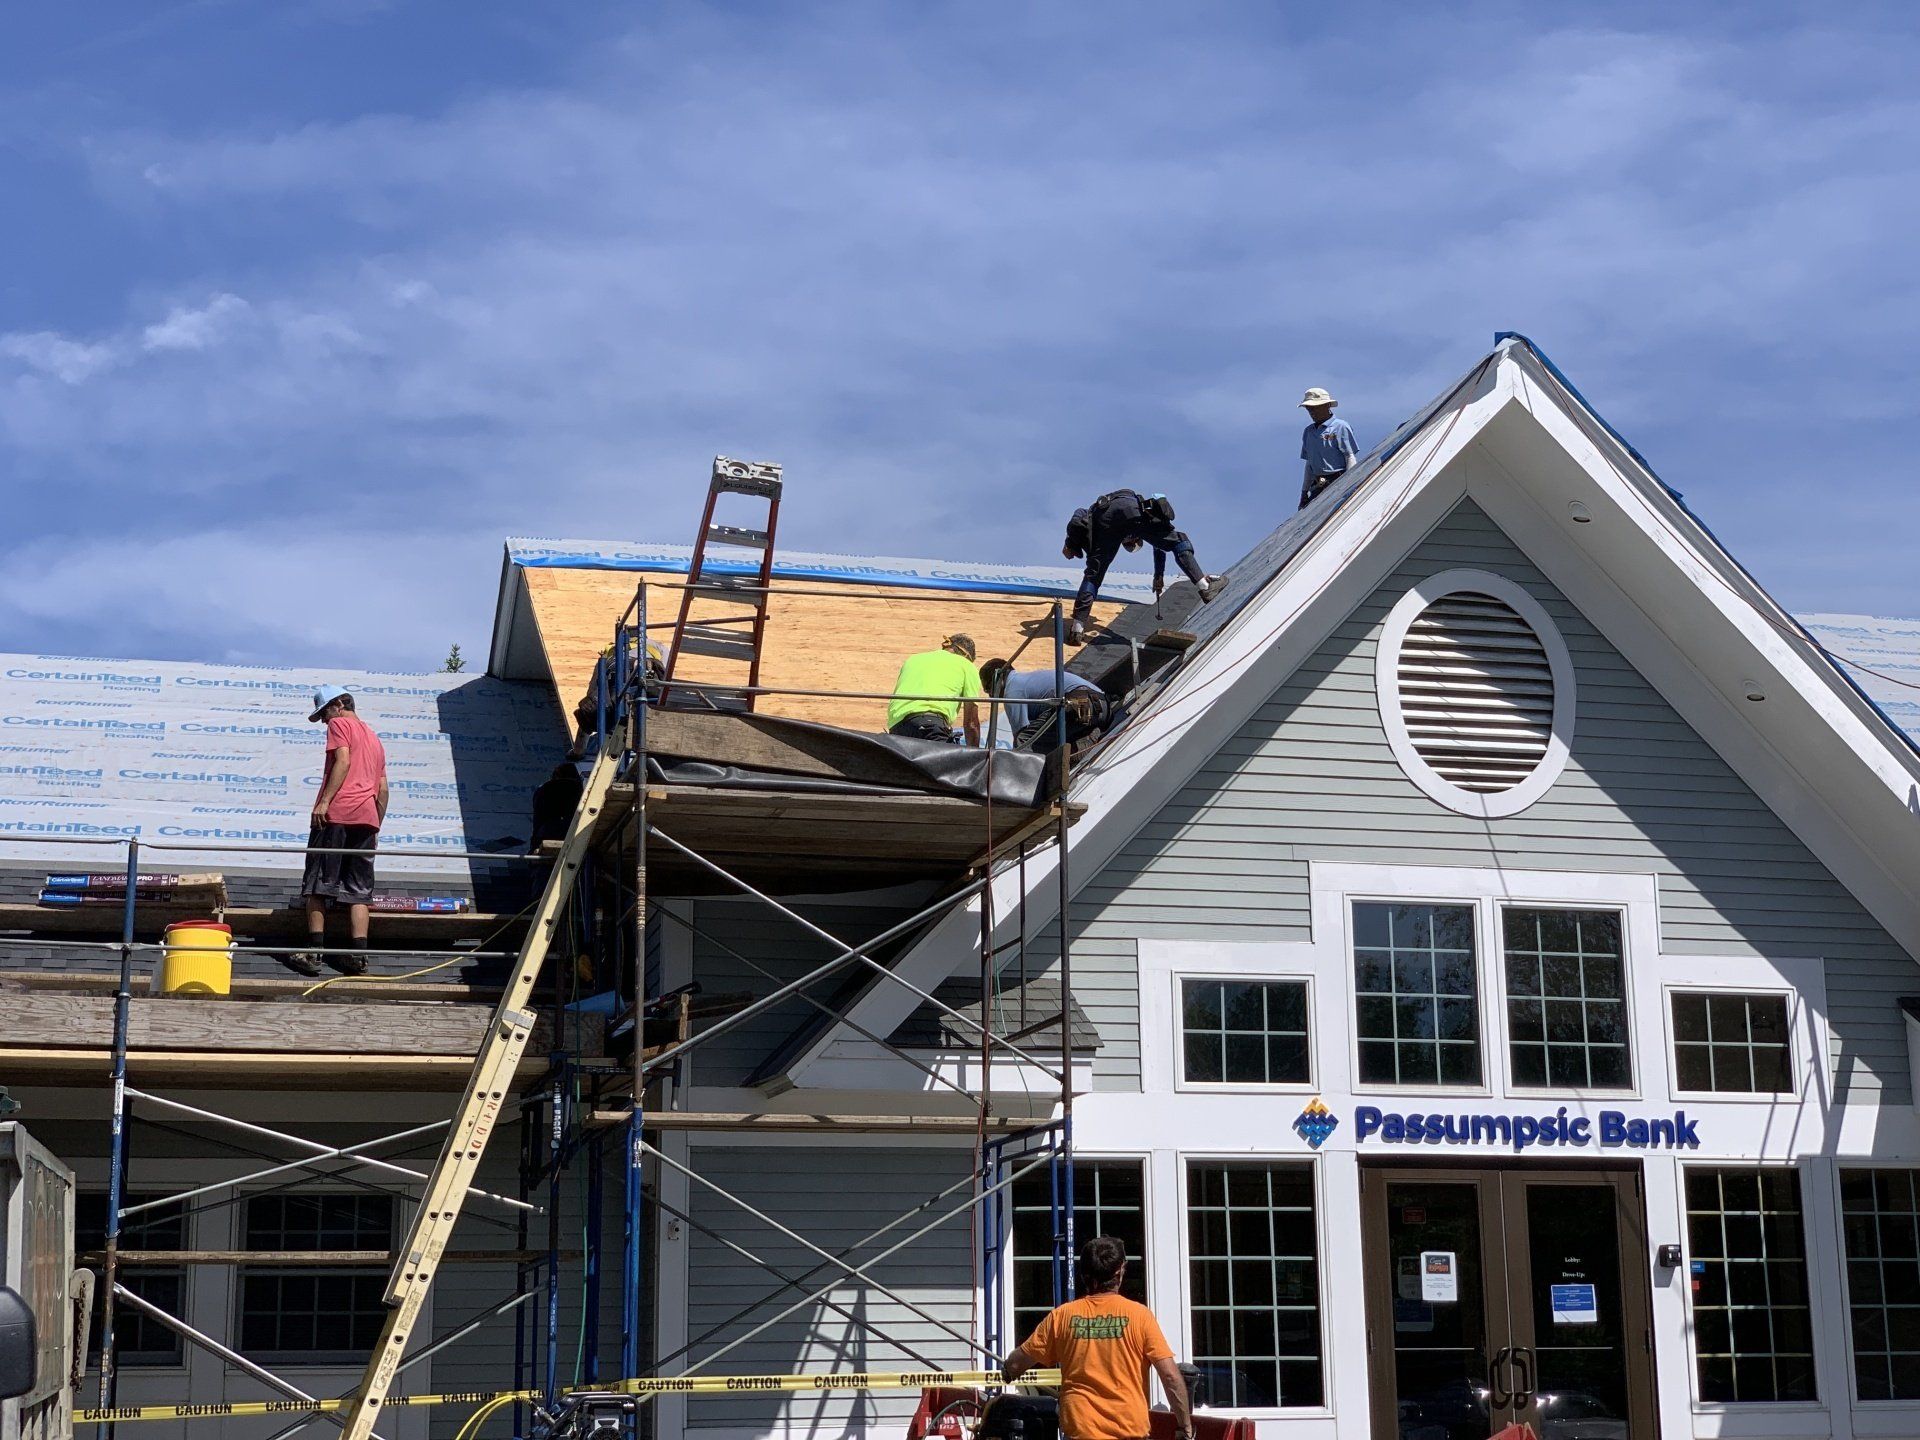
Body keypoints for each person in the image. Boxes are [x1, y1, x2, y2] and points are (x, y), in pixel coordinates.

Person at [1003, 1235, 1193, 1440]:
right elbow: (1171, 1376)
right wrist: (1185, 1427)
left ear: (1084, 1274)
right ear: (1120, 1271)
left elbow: (1016, 1364)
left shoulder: (1062, 1317)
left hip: (1081, 1432)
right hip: (1129, 1433)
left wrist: (1007, 1371)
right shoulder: (1139, 1316)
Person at [286, 685, 389, 977]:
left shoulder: (341, 724)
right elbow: (383, 789)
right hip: (366, 819)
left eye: (324, 713)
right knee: (359, 892)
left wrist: (325, 802)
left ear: (339, 704)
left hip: (338, 815)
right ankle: (358, 958)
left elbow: (342, 761)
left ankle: (314, 953)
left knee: (318, 883)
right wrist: (375, 823)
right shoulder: (373, 737)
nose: (324, 722)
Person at [1064, 489, 1221, 644]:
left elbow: (1157, 546)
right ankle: (1205, 586)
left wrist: (1158, 576)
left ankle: (1077, 630)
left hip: (1104, 518)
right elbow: (1160, 542)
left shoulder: (1107, 526)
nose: (1131, 544)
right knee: (1179, 541)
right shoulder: (1138, 521)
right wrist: (1158, 576)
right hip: (1130, 509)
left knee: (1093, 576)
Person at [979, 659, 1112, 752]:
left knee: (1025, 740)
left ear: (998, 681)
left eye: (988, 689)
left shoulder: (1012, 689)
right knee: (1049, 736)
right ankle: (1087, 738)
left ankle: (1028, 786)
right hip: (1102, 708)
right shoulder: (1025, 680)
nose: (991, 696)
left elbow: (1021, 739)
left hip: (1081, 704)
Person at [886, 634, 984, 745]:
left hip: (897, 729)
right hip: (930, 725)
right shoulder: (967, 665)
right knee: (947, 761)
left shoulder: (913, 659)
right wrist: (975, 756)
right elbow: (971, 723)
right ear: (967, 656)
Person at [1298, 386, 1359, 509]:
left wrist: (1348, 483)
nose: (1312, 412)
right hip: (1318, 486)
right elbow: (1310, 464)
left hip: (1338, 480)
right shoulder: (1309, 432)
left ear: (1327, 406)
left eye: (1316, 408)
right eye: (1309, 409)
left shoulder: (1340, 427)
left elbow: (1349, 456)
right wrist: (1304, 493)